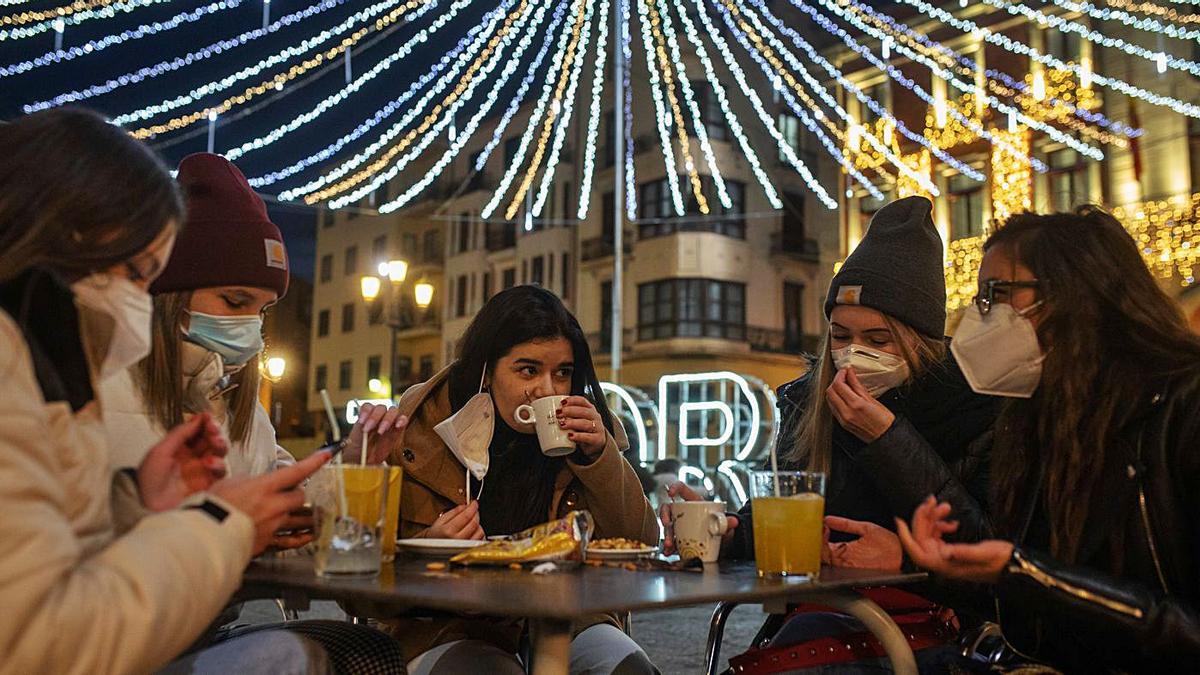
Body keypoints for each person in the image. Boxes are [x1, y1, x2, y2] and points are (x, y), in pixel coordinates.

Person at [0, 108, 388, 674]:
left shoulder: (229, 394)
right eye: (137, 274)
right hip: (158, 631)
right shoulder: (46, 370)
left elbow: (58, 541)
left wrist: (141, 502)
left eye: (263, 311)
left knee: (357, 652)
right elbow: (40, 637)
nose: (251, 329)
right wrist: (213, 521)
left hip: (181, 619)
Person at [665, 197, 998, 669]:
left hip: (932, 629)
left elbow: (991, 553)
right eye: (840, 336)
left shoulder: (975, 405)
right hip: (821, 617)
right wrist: (729, 530)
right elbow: (788, 528)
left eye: (878, 340)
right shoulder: (806, 404)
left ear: (918, 341)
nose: (853, 354)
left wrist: (888, 440)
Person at [897, 207, 1200, 672]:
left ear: (1074, 295)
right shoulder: (1037, 417)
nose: (980, 315)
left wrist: (1023, 572)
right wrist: (926, 564)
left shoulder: (1183, 405)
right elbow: (1039, 604)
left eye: (997, 294)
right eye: (979, 298)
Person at [384, 285, 659, 674]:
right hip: (447, 626)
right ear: (486, 369)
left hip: (564, 618)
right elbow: (363, 585)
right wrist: (424, 551)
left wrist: (601, 457)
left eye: (562, 373)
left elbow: (643, 542)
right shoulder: (418, 429)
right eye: (528, 370)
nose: (547, 389)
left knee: (630, 670)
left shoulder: (589, 432)